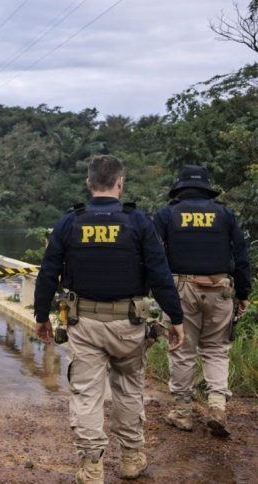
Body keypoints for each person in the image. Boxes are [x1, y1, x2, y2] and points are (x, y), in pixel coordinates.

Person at [34, 155, 185, 483]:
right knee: (129, 389)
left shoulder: (70, 221)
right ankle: (131, 459)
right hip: (129, 323)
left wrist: (41, 315)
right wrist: (176, 317)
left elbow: (49, 272)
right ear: (120, 183)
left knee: (87, 393)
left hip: (83, 323)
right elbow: (160, 272)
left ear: (89, 184)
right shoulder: (139, 221)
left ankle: (91, 468)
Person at [153, 165, 252, 437]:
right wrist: (243, 294)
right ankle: (217, 405)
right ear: (207, 189)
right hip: (220, 288)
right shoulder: (225, 215)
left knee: (182, 347)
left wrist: (158, 291)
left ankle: (182, 412)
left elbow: (153, 257)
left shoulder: (166, 215)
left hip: (180, 289)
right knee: (217, 350)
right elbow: (242, 258)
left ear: (179, 189)